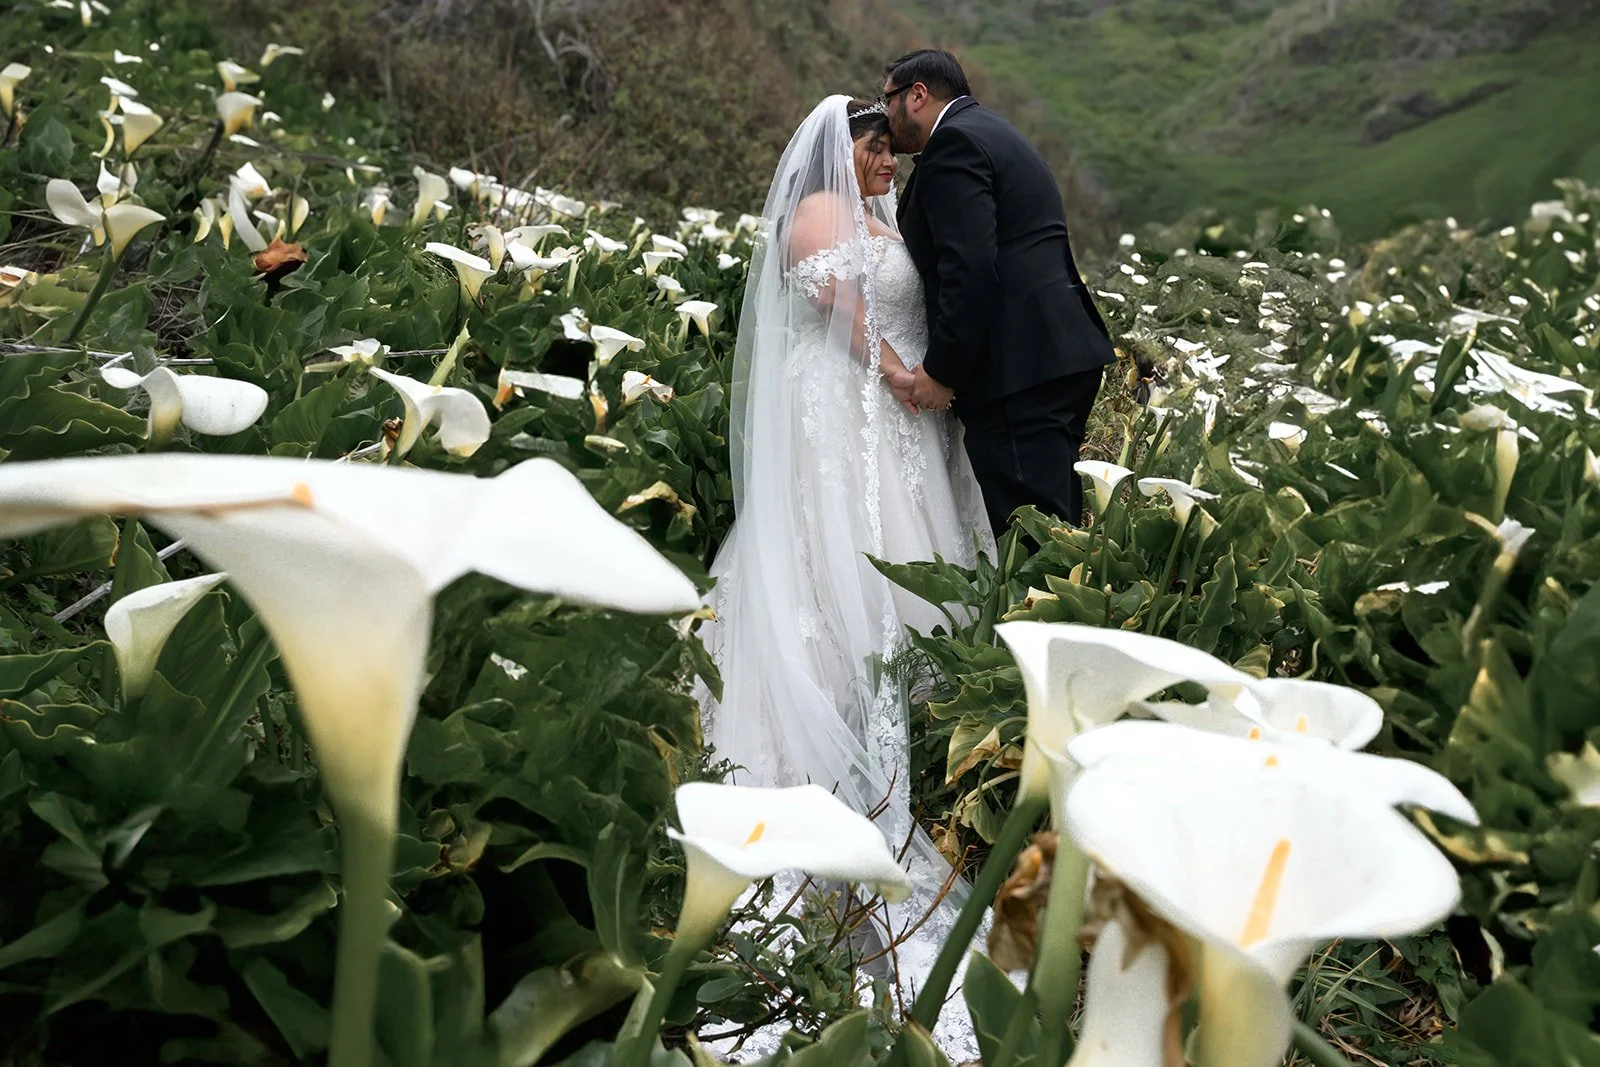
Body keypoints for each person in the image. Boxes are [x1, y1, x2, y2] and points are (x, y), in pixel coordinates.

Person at [697, 94, 993, 1060]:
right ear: (842, 149)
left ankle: (909, 711)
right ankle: (825, 729)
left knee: (900, 555)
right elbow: (841, 308)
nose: (888, 163)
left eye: (890, 153)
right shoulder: (821, 213)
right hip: (842, 405)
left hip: (890, 418)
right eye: (876, 150)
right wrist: (902, 372)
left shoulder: (879, 214)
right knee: (831, 558)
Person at [884, 49, 1117, 536]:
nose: (885, 115)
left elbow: (969, 269)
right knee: (1055, 528)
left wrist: (943, 371)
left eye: (888, 100)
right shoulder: (992, 130)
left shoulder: (953, 145)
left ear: (917, 95)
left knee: (1032, 539)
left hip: (1017, 370)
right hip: (1052, 356)